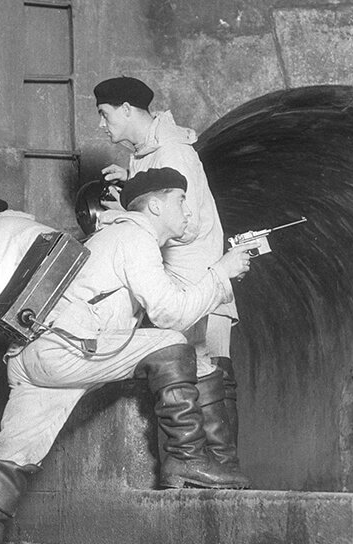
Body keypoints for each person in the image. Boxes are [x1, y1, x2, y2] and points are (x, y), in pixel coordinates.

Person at [0, 168, 255, 544]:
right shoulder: (134, 236)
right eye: (180, 201)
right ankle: (187, 459)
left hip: (32, 357)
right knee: (170, 341)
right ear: (154, 204)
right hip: (66, 347)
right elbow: (170, 313)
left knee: (11, 457)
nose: (188, 210)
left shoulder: (115, 238)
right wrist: (220, 275)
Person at [94, 76, 245, 478]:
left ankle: (223, 468)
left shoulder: (174, 152)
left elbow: (185, 224)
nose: (102, 125)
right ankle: (202, 470)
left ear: (127, 109)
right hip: (173, 278)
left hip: (197, 277)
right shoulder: (143, 154)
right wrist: (133, 190)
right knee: (189, 368)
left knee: (209, 368)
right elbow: (158, 206)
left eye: (105, 115)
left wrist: (125, 216)